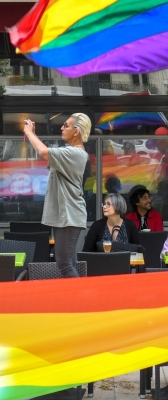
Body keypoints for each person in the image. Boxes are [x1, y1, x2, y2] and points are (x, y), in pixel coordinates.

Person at [23, 113, 91, 278]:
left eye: (66, 125)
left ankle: (82, 302)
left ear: (76, 132)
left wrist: (29, 132)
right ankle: (74, 301)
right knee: (69, 263)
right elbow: (46, 153)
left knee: (64, 264)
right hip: (65, 214)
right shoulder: (71, 152)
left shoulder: (75, 154)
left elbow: (43, 151)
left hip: (68, 214)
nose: (61, 127)